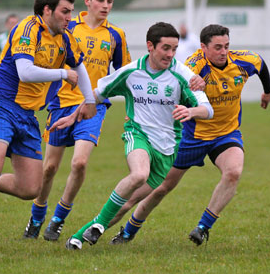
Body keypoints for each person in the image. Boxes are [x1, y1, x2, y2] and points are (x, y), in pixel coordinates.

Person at [0, 0, 97, 257]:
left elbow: (79, 67)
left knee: (31, 188)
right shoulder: (27, 29)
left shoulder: (65, 37)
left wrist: (89, 101)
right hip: (2, 108)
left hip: (29, 117)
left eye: (71, 12)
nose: (70, 17)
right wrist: (62, 75)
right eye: (65, 11)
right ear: (47, 10)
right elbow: (26, 72)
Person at [108, 24, 270, 246]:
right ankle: (126, 230)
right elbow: (172, 92)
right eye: (217, 47)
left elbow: (261, 66)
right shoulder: (193, 67)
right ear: (203, 47)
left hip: (226, 134)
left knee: (233, 172)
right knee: (160, 188)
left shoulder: (244, 60)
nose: (223, 52)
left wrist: (267, 92)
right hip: (191, 136)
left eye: (226, 46)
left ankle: (202, 227)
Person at [57, 22, 213, 250]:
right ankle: (99, 225)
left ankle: (78, 238)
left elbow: (207, 110)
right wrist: (72, 117)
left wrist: (191, 111)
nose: (170, 54)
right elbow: (97, 95)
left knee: (126, 204)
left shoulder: (182, 75)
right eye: (165, 48)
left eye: (174, 49)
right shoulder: (131, 72)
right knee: (139, 174)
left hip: (167, 148)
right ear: (150, 46)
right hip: (137, 134)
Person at [22, 0, 131, 241]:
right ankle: (37, 215)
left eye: (110, 2)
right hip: (61, 103)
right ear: (88, 1)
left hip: (93, 106)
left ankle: (59, 217)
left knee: (80, 163)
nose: (106, 6)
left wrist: (130, 105)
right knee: (48, 169)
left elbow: (125, 75)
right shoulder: (68, 27)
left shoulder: (115, 35)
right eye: (101, 0)